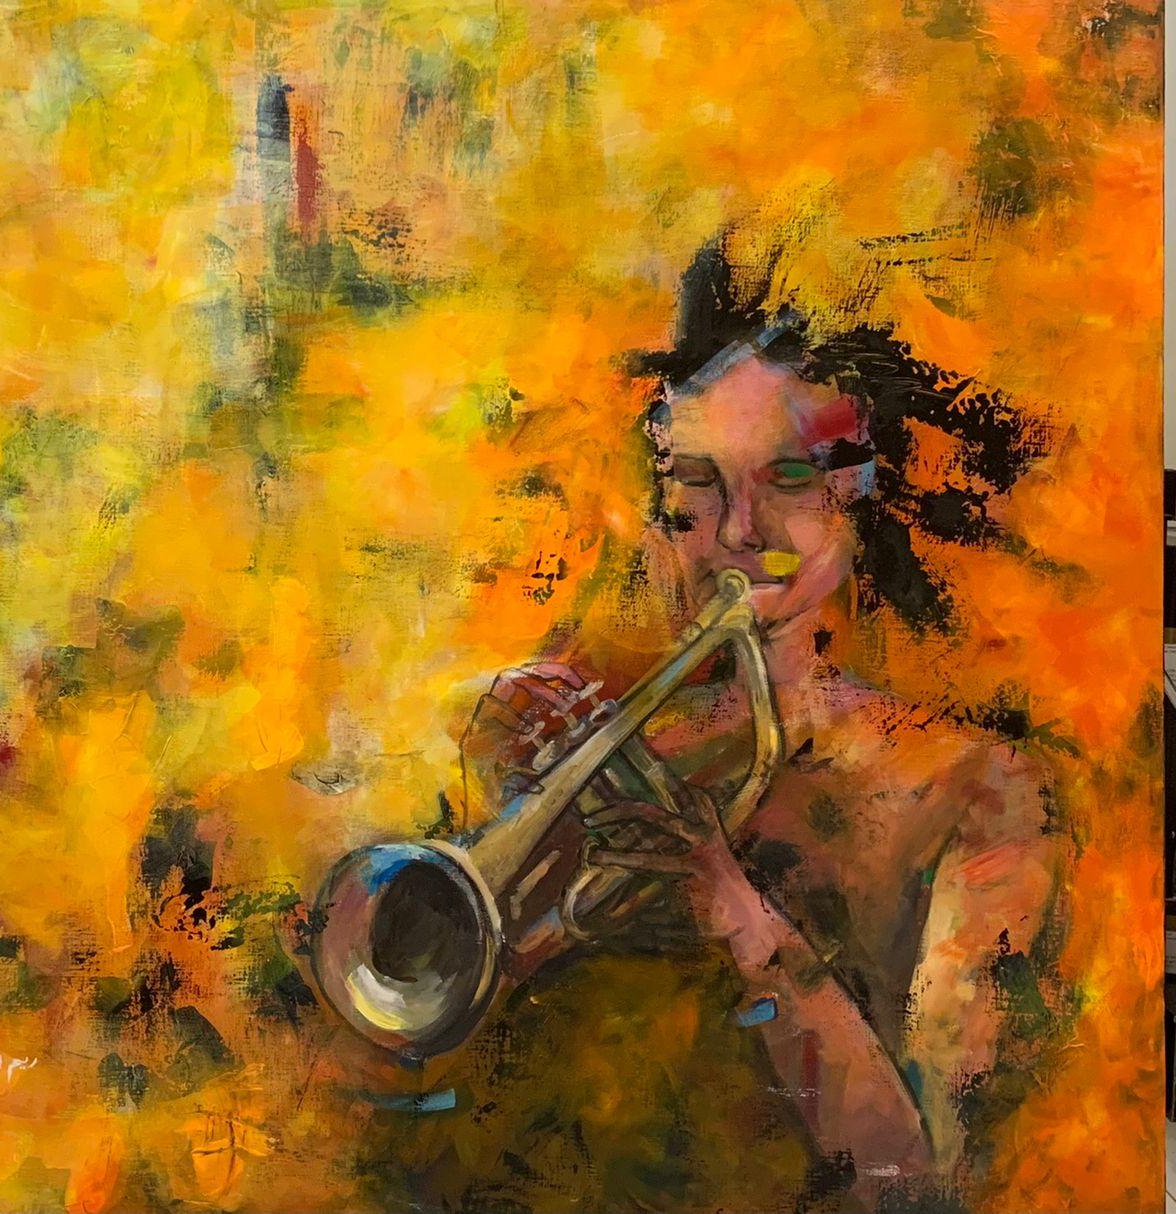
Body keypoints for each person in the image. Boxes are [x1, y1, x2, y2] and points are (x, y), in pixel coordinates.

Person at [450, 241, 1065, 1209]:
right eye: (697, 482)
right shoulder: (617, 752)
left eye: (786, 477)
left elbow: (925, 1182)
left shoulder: (977, 789)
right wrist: (509, 841)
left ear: (863, 494)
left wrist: (728, 904)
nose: (740, 530)